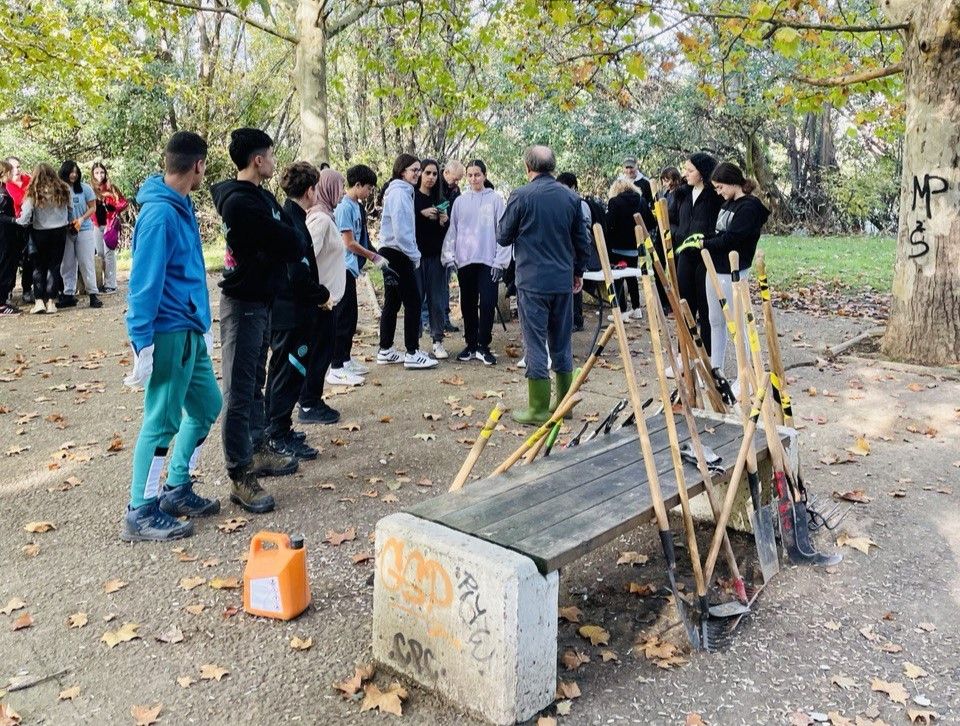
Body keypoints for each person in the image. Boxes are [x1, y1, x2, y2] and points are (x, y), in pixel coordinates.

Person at [121, 131, 222, 542]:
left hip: (190, 328)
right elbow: (144, 282)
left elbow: (190, 271)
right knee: (161, 420)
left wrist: (205, 323)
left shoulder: (181, 205)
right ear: (198, 165)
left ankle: (176, 487)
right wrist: (141, 342)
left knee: (207, 406)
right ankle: (140, 510)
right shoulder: (160, 214)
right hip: (167, 331)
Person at [212, 128, 304, 514]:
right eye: (269, 154)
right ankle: (240, 474)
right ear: (257, 160)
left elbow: (292, 235)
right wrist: (281, 240)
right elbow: (288, 240)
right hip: (244, 302)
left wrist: (281, 238)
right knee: (239, 389)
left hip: (263, 300)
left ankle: (258, 446)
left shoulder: (263, 197)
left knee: (256, 384)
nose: (273, 159)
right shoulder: (238, 203)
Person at [497, 145, 590, 424]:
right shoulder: (571, 198)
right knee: (562, 341)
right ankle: (565, 404)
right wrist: (578, 271)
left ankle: (538, 408)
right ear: (554, 166)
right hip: (562, 280)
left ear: (528, 167)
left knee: (535, 342)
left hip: (532, 281)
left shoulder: (521, 195)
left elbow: (503, 236)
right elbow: (582, 241)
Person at [264, 161, 331, 459]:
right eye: (315, 187)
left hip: (291, 310)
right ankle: (277, 433)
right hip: (291, 312)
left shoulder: (292, 216)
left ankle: (278, 426)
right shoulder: (291, 221)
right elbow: (297, 272)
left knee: (284, 369)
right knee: (288, 371)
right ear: (309, 190)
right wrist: (321, 294)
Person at [681, 162, 769, 376]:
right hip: (715, 268)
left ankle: (744, 374)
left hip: (734, 272)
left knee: (737, 324)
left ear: (732, 182)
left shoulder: (749, 207)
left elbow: (732, 240)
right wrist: (707, 239)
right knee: (714, 320)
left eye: (720, 187)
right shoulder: (727, 204)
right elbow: (719, 234)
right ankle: (716, 369)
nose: (718, 192)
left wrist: (705, 244)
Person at [441, 159, 509, 365]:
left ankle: (483, 345)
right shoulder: (461, 201)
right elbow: (453, 229)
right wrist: (449, 256)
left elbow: (503, 233)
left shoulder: (496, 200)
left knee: (488, 303)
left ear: (484, 175)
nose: (473, 178)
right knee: (468, 303)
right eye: (469, 175)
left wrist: (501, 262)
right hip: (466, 259)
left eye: (477, 174)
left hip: (488, 259)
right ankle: (470, 344)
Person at [376, 153, 438, 370]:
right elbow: (402, 232)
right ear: (402, 171)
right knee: (413, 301)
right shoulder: (400, 194)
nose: (418, 174)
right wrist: (415, 256)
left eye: (418, 170)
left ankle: (386, 349)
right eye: (414, 170)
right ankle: (412, 352)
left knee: (392, 302)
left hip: (390, 251)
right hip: (397, 253)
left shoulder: (399, 192)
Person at [298, 168, 348, 414]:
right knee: (318, 352)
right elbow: (307, 256)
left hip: (328, 299)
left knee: (323, 351)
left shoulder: (328, 216)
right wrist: (318, 293)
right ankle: (308, 403)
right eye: (339, 186)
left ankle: (312, 398)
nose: (342, 192)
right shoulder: (320, 220)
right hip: (321, 301)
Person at [331, 163, 383, 388]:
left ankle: (345, 358)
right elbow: (349, 242)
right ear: (358, 185)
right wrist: (372, 256)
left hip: (352, 269)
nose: (369, 192)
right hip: (342, 267)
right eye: (368, 188)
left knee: (351, 318)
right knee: (342, 318)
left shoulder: (357, 206)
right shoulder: (344, 208)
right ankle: (336, 366)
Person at [670, 152, 722, 378]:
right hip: (684, 255)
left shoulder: (715, 196)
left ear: (702, 173)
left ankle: (707, 358)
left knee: (706, 308)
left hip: (706, 256)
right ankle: (684, 356)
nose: (685, 174)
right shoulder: (682, 194)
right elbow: (672, 219)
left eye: (690, 170)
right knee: (684, 305)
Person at [12, 163, 71, 314]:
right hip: (59, 232)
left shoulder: (34, 192)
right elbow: (70, 210)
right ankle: (51, 301)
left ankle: (39, 301)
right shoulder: (63, 189)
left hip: (40, 233)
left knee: (39, 267)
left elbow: (25, 216)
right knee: (54, 266)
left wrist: (17, 222)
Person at [415, 159, 451, 360]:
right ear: (420, 173)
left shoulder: (440, 199)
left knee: (437, 300)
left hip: (436, 257)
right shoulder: (412, 197)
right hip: (416, 257)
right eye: (427, 173)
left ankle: (437, 340)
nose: (431, 177)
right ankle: (415, 342)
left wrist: (443, 221)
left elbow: (446, 232)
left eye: (434, 174)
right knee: (416, 300)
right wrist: (421, 214)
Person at [605, 177, 655, 322]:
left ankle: (619, 310)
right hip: (635, 246)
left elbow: (610, 224)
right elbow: (651, 222)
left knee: (617, 277)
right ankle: (636, 308)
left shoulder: (614, 202)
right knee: (632, 276)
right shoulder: (641, 201)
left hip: (617, 247)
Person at [58, 160, 101, 309]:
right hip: (66, 230)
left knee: (86, 262)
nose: (74, 175)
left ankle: (93, 294)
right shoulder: (59, 190)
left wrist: (81, 220)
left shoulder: (85, 189)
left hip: (84, 229)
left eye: (76, 172)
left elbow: (93, 208)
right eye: (71, 172)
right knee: (67, 263)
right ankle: (68, 294)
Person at [556, 172, 594, 332]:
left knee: (575, 287)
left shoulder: (580, 204)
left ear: (573, 187)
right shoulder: (561, 202)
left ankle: (576, 320)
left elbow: (584, 231)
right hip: (564, 252)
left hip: (576, 251)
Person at [91, 162, 127, 294]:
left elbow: (123, 203)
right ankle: (100, 282)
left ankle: (111, 284)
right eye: (96, 172)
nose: (99, 175)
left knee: (109, 253)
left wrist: (114, 208)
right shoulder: (91, 189)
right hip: (96, 225)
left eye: (102, 172)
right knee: (99, 254)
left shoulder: (111, 188)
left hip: (109, 224)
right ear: (93, 174)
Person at [438, 160, 464, 332]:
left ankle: (445, 317)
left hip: (449, 239)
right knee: (433, 283)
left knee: (445, 281)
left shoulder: (455, 190)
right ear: (446, 173)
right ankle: (428, 319)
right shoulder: (435, 185)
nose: (456, 183)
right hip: (434, 240)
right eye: (455, 179)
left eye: (458, 180)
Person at [5, 156, 33, 305]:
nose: (16, 170)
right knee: (12, 259)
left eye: (18, 166)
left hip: (29, 224)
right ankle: (7, 289)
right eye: (13, 167)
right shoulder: (6, 185)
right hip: (13, 225)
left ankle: (27, 289)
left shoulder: (28, 180)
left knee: (29, 257)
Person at [0, 161, 22, 314]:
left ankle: (3, 300)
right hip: (3, 235)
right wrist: (14, 220)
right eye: (8, 171)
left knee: (8, 265)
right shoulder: (1, 193)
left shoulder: (4, 189)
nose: (10, 174)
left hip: (8, 234)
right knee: (3, 266)